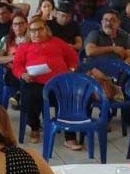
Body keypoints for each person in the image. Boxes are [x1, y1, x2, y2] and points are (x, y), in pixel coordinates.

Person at [12, 16, 80, 146]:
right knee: (31, 94)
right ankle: (34, 127)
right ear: (28, 32)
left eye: (39, 29)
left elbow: (73, 57)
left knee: (69, 96)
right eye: (32, 30)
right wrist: (23, 74)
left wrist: (71, 69)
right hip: (35, 81)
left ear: (46, 30)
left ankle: (69, 136)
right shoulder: (24, 47)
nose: (36, 33)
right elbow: (17, 66)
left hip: (59, 82)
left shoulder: (57, 42)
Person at [0, 13, 29, 109]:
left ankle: (18, 95)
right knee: (15, 76)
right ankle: (18, 95)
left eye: (21, 23)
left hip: (29, 71)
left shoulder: (32, 39)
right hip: (12, 70)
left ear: (26, 24)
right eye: (15, 24)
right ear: (12, 26)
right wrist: (14, 57)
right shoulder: (6, 39)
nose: (18, 27)